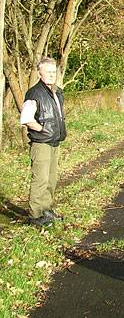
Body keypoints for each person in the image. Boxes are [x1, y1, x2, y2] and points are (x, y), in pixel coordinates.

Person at [19, 57, 67, 226]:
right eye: (48, 72)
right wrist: (42, 129)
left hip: (54, 142)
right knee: (40, 179)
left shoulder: (57, 92)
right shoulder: (34, 93)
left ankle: (46, 211)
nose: (52, 75)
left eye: (54, 72)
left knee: (51, 179)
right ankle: (35, 216)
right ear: (40, 73)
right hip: (41, 143)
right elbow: (26, 119)